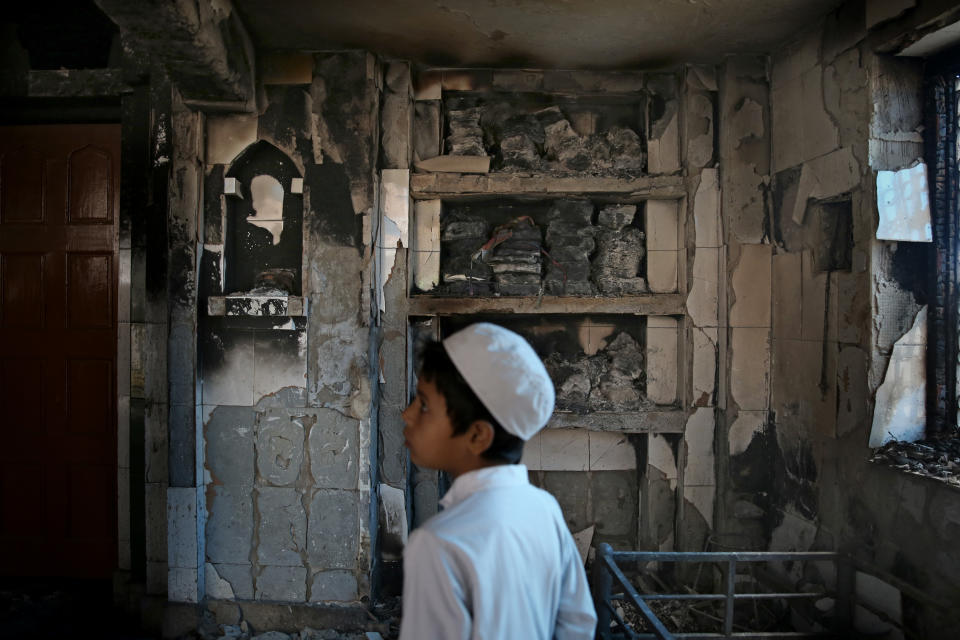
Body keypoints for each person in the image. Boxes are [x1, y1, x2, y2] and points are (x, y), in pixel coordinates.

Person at [399, 322, 597, 640]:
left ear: (477, 436)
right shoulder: (544, 509)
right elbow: (578, 624)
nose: (406, 415)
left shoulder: (438, 544)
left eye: (423, 405)